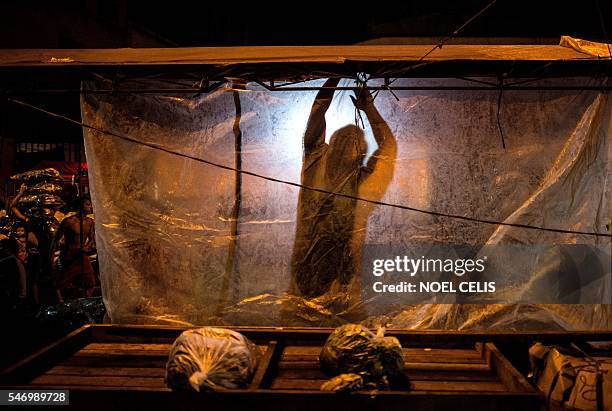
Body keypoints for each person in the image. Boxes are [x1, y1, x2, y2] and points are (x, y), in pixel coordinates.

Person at [291, 78, 397, 302]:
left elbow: (317, 113)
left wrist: (336, 79)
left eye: (354, 143)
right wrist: (336, 79)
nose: (347, 147)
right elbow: (317, 114)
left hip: (333, 282)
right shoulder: (316, 160)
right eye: (345, 142)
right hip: (325, 281)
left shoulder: (351, 179)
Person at [49, 195, 96, 302]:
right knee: (60, 283)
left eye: (91, 205)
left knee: (91, 282)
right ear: (80, 206)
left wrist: (86, 248)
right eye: (88, 204)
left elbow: (92, 240)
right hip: (68, 255)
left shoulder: (90, 222)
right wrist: (50, 258)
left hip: (81, 256)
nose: (90, 207)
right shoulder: (68, 221)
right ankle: (61, 303)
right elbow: (55, 240)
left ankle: (85, 303)